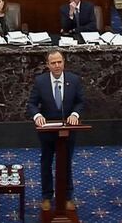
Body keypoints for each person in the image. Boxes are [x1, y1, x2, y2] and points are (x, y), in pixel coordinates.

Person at [26, 50, 84, 212]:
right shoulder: (40, 82)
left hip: (68, 130)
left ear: (64, 62)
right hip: (47, 131)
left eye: (59, 62)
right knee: (46, 162)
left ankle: (67, 197)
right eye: (53, 63)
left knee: (66, 163)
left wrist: (75, 114)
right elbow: (31, 104)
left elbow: (80, 102)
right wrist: (37, 115)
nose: (57, 65)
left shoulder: (74, 80)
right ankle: (46, 196)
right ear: (48, 65)